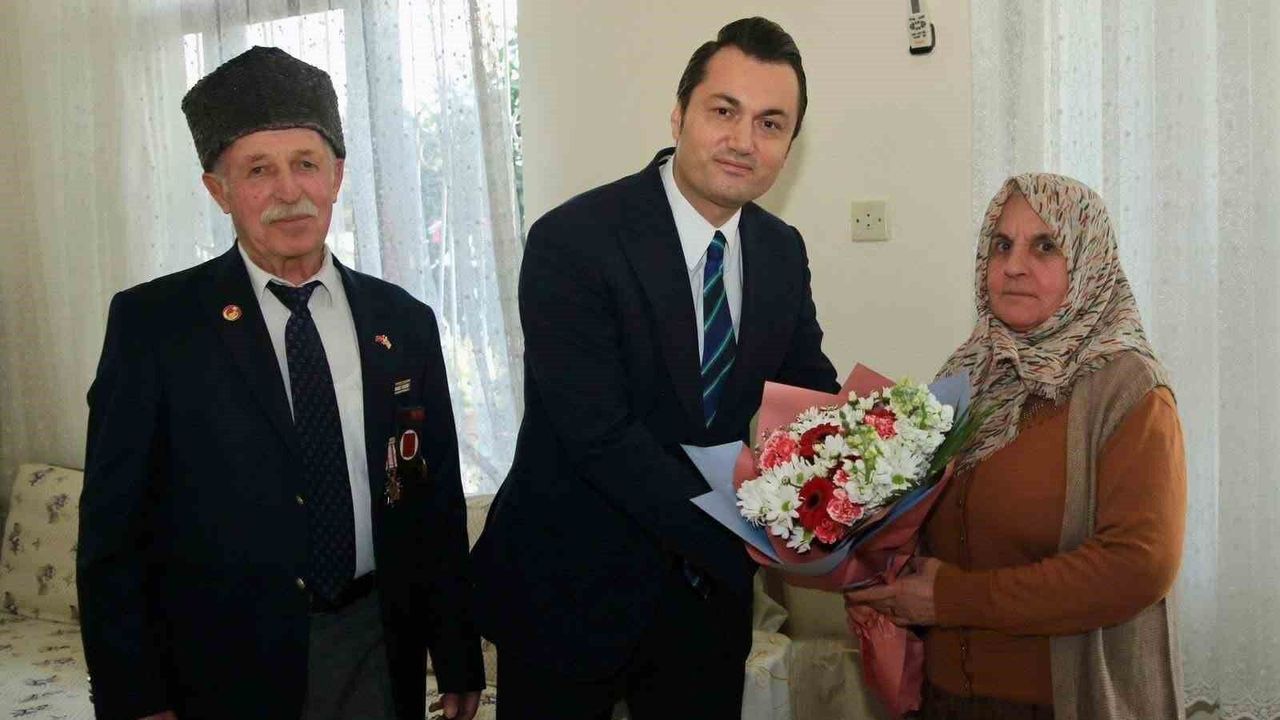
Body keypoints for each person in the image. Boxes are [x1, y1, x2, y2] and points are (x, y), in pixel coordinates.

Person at [78, 46, 483, 720]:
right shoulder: (154, 325)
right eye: (258, 170)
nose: (289, 191)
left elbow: (431, 501)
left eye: (306, 164)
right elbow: (112, 535)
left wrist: (457, 652)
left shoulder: (403, 322)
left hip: (375, 642)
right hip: (220, 662)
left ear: (337, 176)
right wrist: (136, 697)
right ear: (219, 191)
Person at [469, 16, 839, 720]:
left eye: (770, 124)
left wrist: (863, 481)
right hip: (569, 595)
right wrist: (748, 536)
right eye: (723, 111)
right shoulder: (573, 240)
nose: (743, 140)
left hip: (703, 611)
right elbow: (599, 435)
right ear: (679, 115)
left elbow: (806, 394)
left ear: (790, 145)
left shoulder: (781, 250)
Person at [845, 173, 1187, 719]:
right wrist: (874, 574)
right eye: (1001, 245)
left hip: (1063, 702)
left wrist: (950, 598)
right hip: (944, 699)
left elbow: (1137, 566)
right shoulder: (966, 375)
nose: (1014, 266)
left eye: (1045, 246)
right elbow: (923, 523)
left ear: (1089, 261)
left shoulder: (1128, 389)